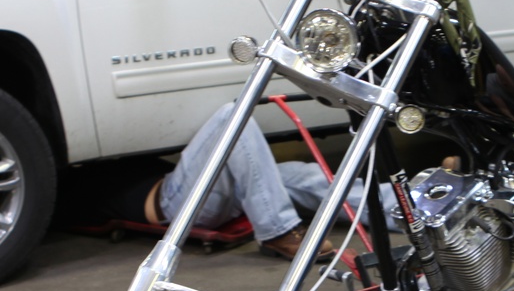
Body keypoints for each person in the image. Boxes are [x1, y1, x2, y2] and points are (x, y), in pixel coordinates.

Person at [73, 102, 395, 261]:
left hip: (200, 189)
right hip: (177, 204)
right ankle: (278, 230)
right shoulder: (72, 177)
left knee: (304, 176)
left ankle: (411, 206)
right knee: (233, 116)